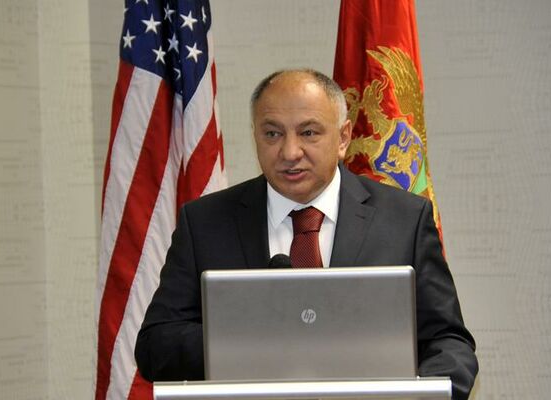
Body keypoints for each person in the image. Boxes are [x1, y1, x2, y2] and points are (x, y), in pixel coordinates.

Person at [135, 69, 478, 399]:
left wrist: (419, 397)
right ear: (255, 136)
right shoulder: (205, 222)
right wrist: (250, 342)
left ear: (343, 137)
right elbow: (156, 345)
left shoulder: (405, 220)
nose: (290, 152)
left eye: (309, 133)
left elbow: (449, 342)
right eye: (272, 134)